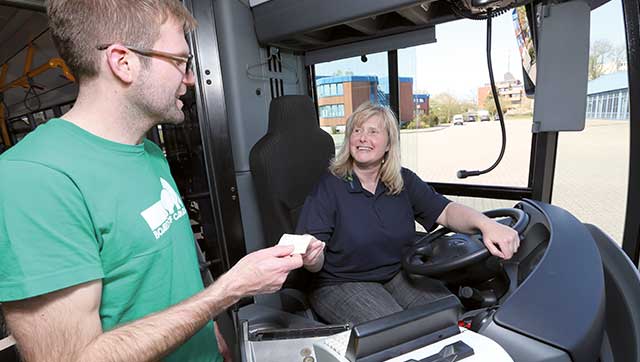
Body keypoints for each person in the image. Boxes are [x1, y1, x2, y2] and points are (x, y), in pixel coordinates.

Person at [0, 1, 303, 361]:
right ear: (123, 62)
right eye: (179, 61)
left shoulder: (149, 152)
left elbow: (169, 274)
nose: (189, 78)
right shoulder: (34, 179)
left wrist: (210, 331)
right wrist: (229, 290)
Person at [296, 102, 520, 325]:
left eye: (373, 131)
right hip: (340, 282)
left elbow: (446, 211)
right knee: (397, 330)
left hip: (396, 272)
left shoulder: (404, 180)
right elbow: (314, 257)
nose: (363, 137)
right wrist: (311, 260)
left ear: (388, 144)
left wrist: (486, 225)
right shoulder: (329, 186)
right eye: (357, 130)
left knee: (449, 314)